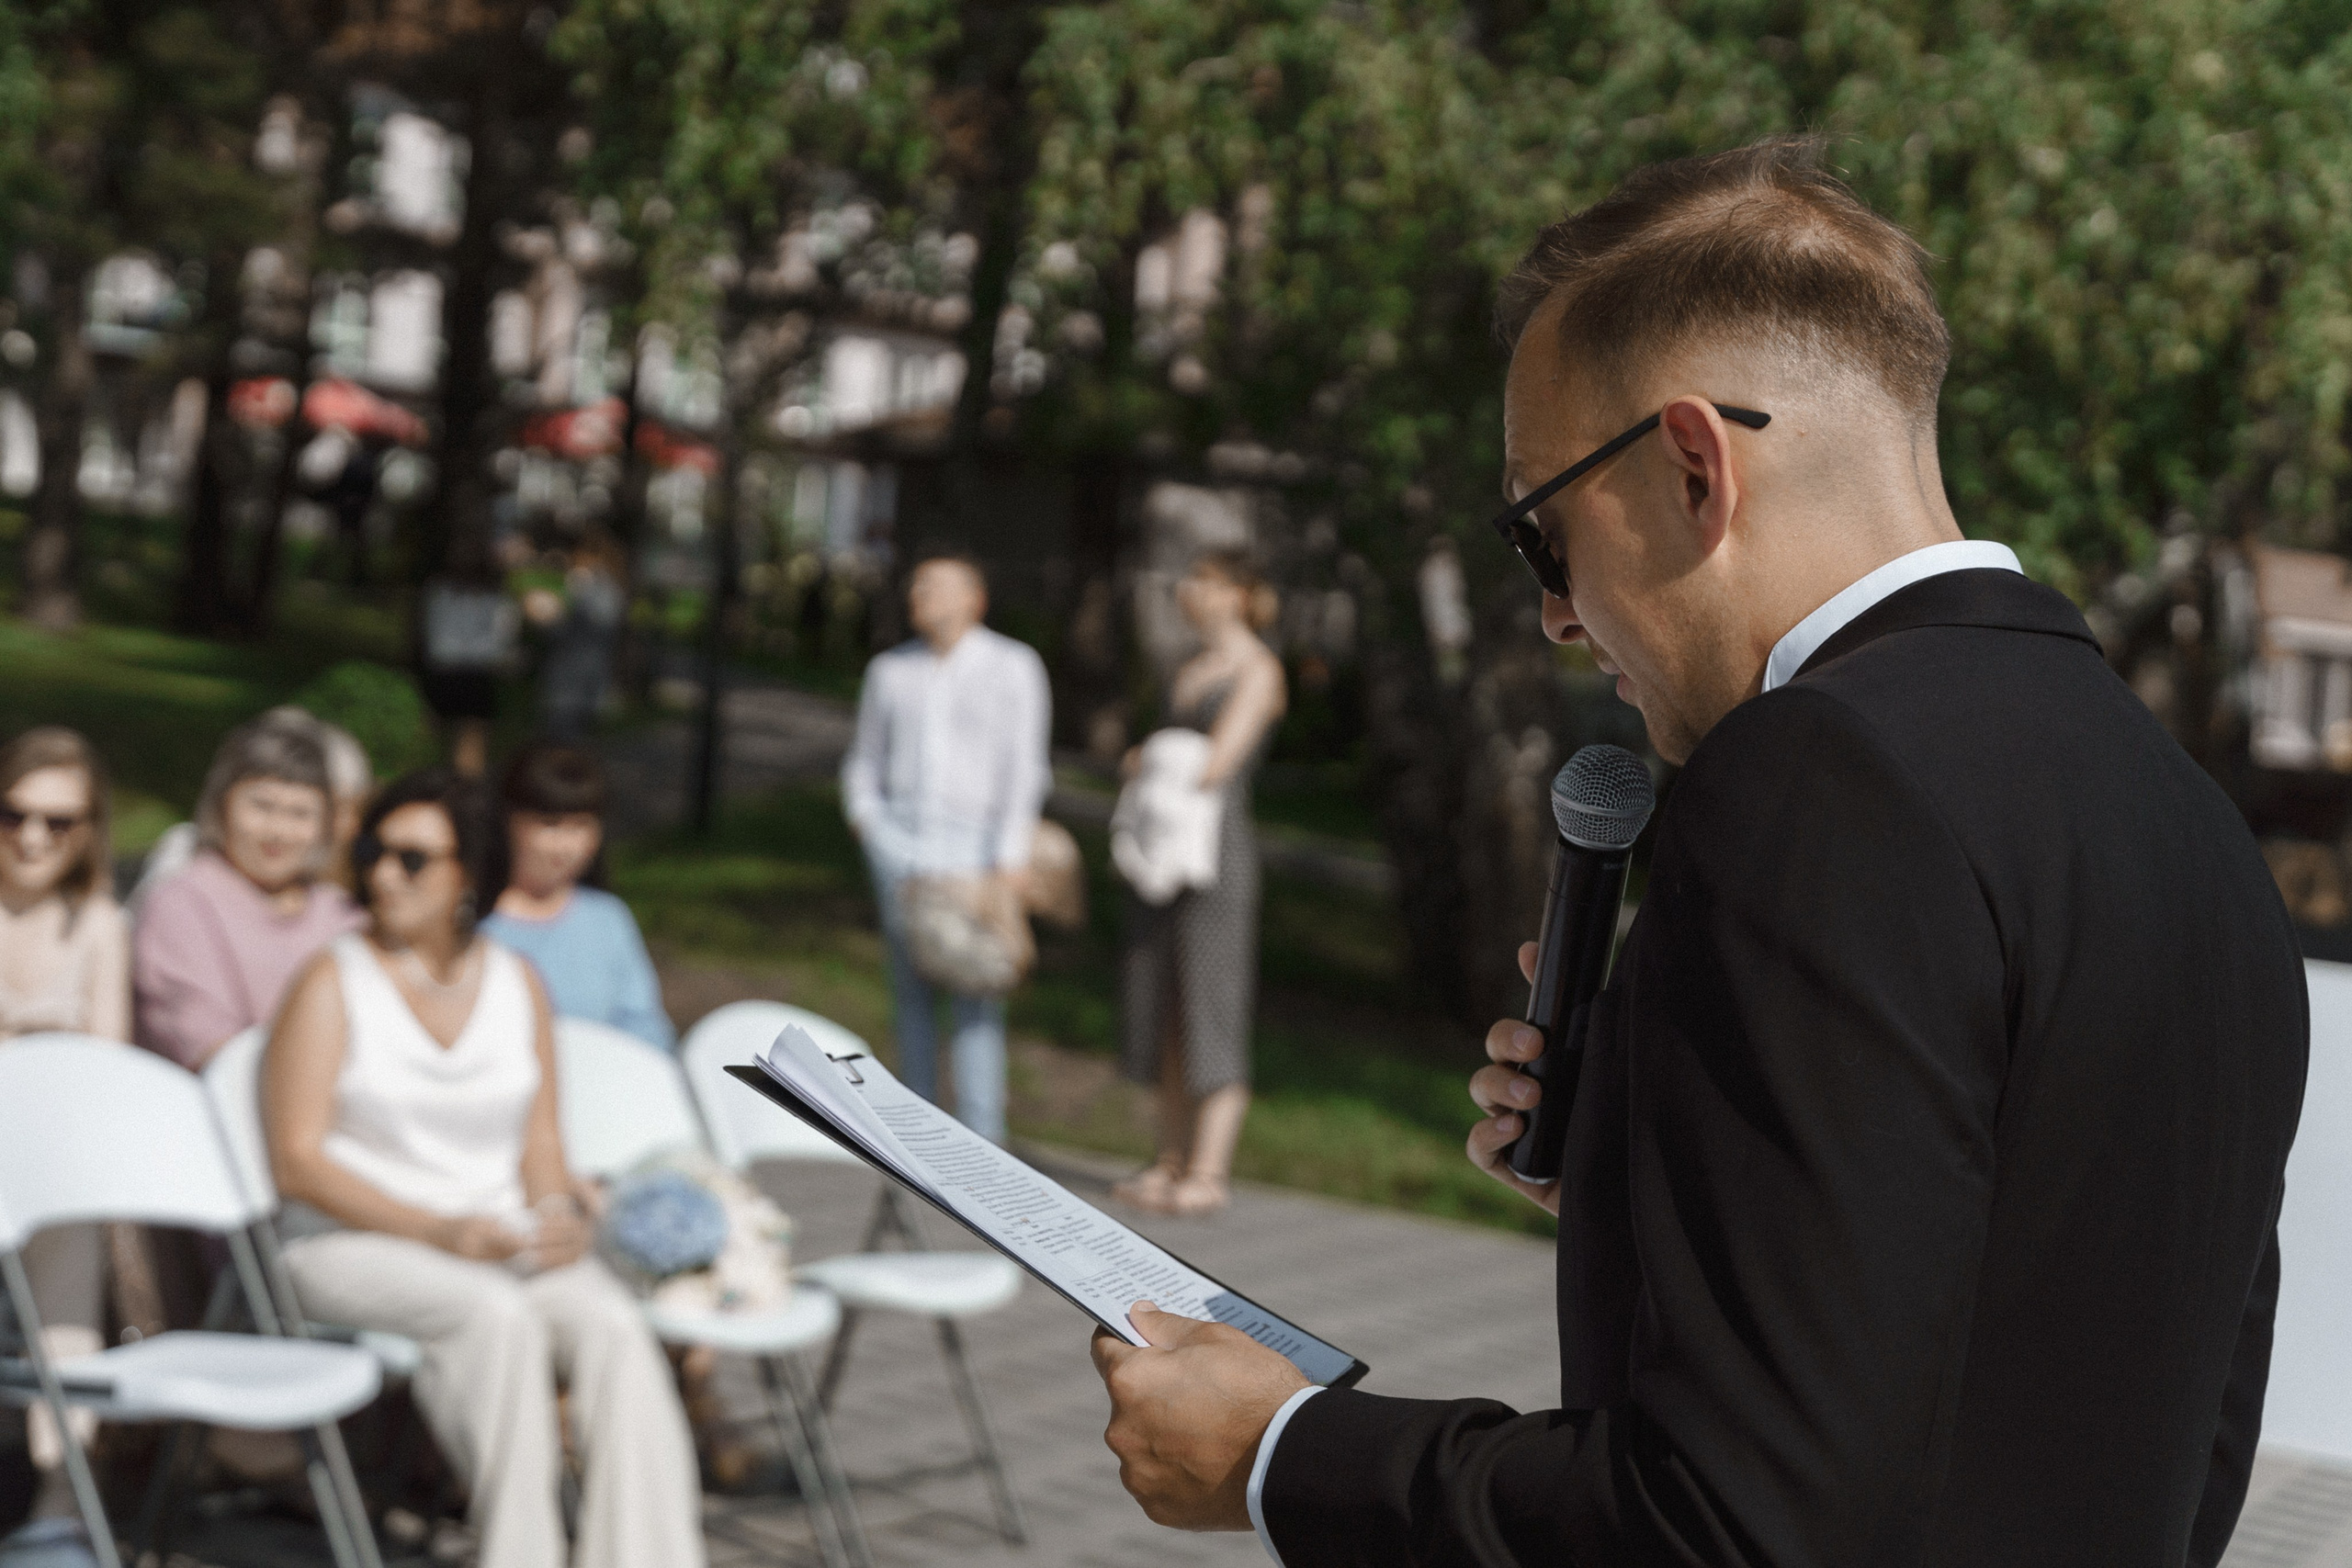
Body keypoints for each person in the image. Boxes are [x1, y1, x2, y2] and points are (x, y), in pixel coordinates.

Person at [1091, 138, 2306, 1567]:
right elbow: (2135, 1409)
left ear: (1690, 465)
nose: (1554, 615)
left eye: (1542, 533)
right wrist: (1666, 1167)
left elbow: (1737, 1520)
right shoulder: (2181, 811)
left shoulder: (1814, 772)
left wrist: (1283, 1451)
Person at [264, 770, 704, 1568]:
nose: (382, 873)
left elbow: (540, 1142)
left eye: (411, 858)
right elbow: (296, 1163)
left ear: (470, 872)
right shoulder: (332, 981)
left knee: (613, 1324)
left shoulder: (515, 982)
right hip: (347, 1240)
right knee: (492, 1316)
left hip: (494, 1234)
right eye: (374, 851)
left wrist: (560, 1212)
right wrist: (436, 1229)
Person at [841, 552, 1051, 1144]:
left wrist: (1007, 856)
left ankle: (984, 1140)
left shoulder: (1012, 666)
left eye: (936, 586)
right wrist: (870, 827)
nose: (921, 596)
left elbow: (1024, 765)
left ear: (973, 599)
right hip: (901, 851)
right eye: (917, 586)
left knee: (978, 999)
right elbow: (865, 761)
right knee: (909, 994)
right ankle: (917, 1138)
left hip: (976, 856)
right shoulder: (890, 671)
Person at [1113, 551, 1286, 1217]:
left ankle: (1209, 1170)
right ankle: (1169, 1158)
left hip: (1216, 856)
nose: (1193, 591)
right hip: (1160, 852)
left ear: (1243, 593)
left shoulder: (1259, 669)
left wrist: (1148, 759)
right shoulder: (1185, 668)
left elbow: (1213, 764)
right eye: (1192, 578)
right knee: (1163, 1006)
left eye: (1210, 580)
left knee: (1211, 1004)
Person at [0, 728, 127, 1563]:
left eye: (59, 821)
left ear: (88, 831)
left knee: (77, 1229)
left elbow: (107, 1072)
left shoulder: (99, 924)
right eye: (14, 815)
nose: (33, 837)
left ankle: (59, 1486)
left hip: (52, 1162)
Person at [134, 718, 363, 1070]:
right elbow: (207, 1046)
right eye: (262, 806)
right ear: (223, 805)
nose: (278, 831)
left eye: (300, 813)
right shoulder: (183, 901)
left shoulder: (339, 913)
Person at [480, 741, 673, 1049]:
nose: (566, 846)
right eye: (550, 824)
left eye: (581, 825)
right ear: (508, 822)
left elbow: (645, 1028)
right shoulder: (473, 918)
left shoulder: (609, 918)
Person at [126, 708, 373, 918]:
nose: (348, 824)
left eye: (301, 812)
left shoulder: (358, 871)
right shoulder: (187, 860)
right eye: (265, 804)